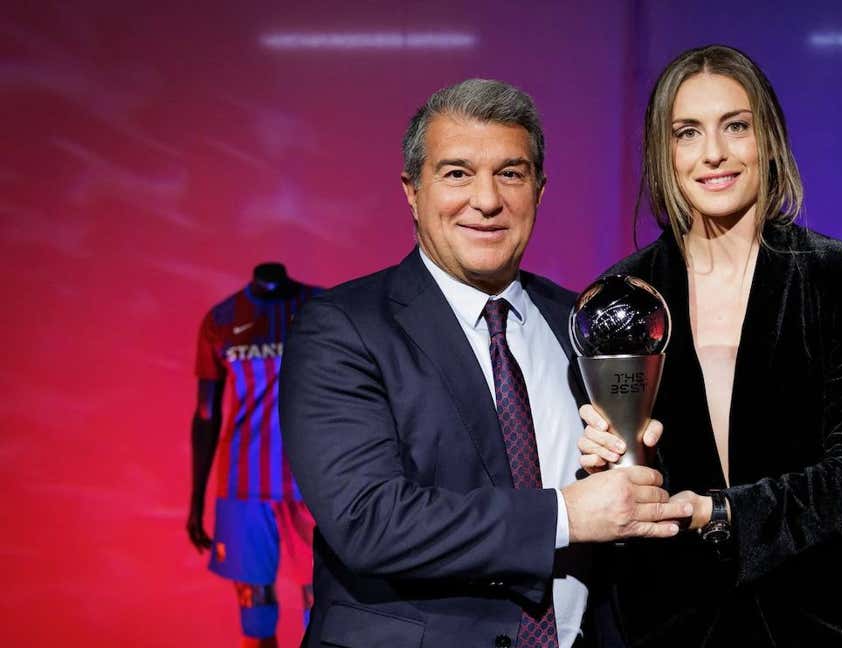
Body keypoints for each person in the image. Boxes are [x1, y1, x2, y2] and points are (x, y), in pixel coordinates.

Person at [279, 79, 691, 648]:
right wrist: (565, 516)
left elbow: (628, 510)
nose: (487, 200)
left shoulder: (578, 319)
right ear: (411, 191)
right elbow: (368, 520)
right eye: (456, 173)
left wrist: (632, 468)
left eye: (511, 173)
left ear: (540, 190)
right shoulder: (343, 327)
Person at [577, 45, 842, 646]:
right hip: (668, 630)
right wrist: (615, 465)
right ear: (663, 152)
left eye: (735, 126)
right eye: (687, 133)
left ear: (769, 139)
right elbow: (623, 494)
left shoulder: (841, 278)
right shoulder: (623, 300)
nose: (713, 154)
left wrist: (725, 515)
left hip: (809, 628)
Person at [189, 262, 322, 648]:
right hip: (243, 483)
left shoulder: (323, 306)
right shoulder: (222, 319)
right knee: (254, 601)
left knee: (323, 596)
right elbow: (205, 413)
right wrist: (196, 500)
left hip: (312, 483)